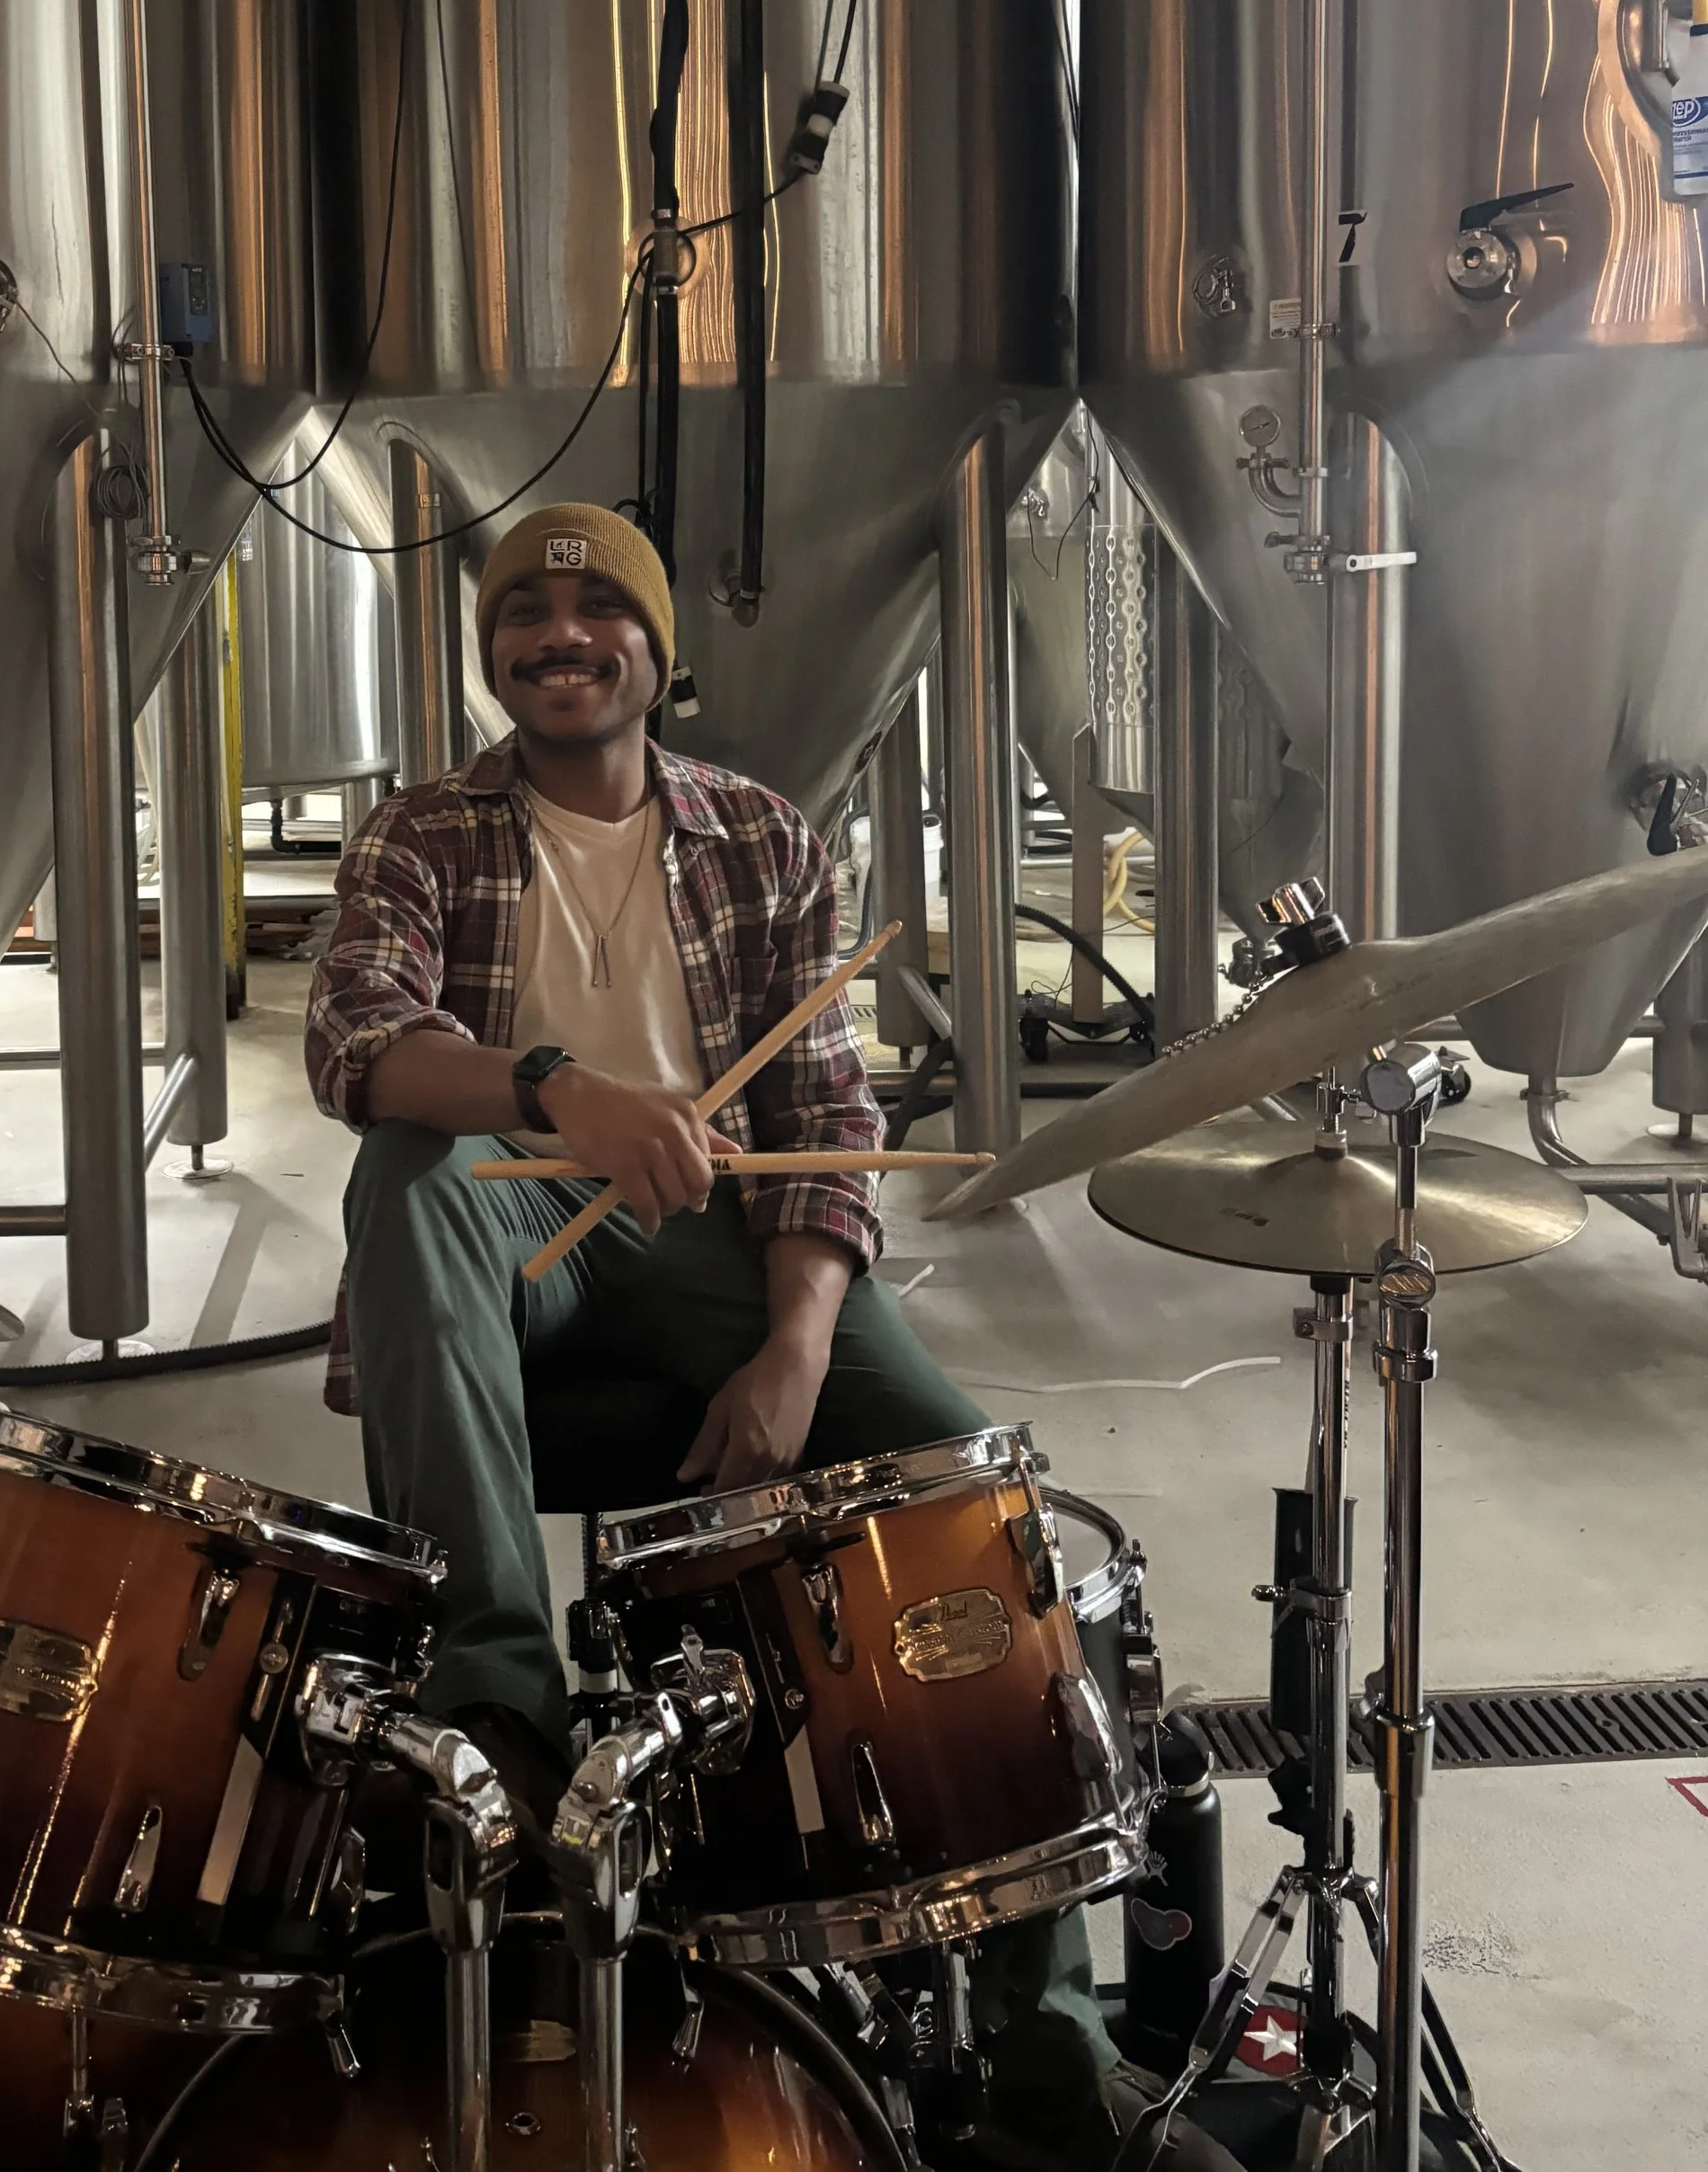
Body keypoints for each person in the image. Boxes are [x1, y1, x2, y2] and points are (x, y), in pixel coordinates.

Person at [306, 501, 1238, 2172]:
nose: (560, 636)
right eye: (525, 613)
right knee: (411, 1174)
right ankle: (504, 1709)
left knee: (966, 1502)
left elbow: (828, 1110)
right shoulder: (421, 832)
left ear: (662, 655)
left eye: (600, 615)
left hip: (729, 1241)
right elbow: (365, 1042)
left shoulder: (764, 836)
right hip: (510, 1213)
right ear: (490, 653)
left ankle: (1048, 2042)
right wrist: (562, 1096)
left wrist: (800, 1343)